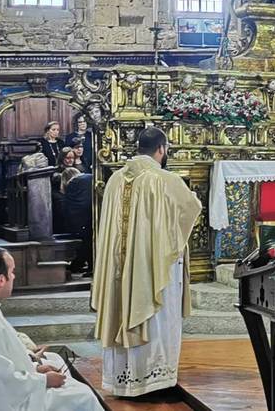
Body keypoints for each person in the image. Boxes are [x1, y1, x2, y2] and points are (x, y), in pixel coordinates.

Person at [91, 126, 202, 397]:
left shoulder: (116, 179)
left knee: (122, 307)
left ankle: (123, 381)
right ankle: (154, 383)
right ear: (162, 149)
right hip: (150, 268)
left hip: (119, 267)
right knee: (157, 317)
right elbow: (191, 209)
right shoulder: (164, 179)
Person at [0, 246, 102, 410]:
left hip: (18, 387)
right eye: (12, 272)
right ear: (1, 280)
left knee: (54, 360)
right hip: (13, 401)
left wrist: (36, 368)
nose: (14, 277)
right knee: (83, 398)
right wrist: (43, 380)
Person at [62, 169, 93, 275]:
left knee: (86, 241)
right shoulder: (90, 176)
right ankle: (89, 266)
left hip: (82, 218)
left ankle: (79, 266)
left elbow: (69, 207)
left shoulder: (72, 184)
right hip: (94, 213)